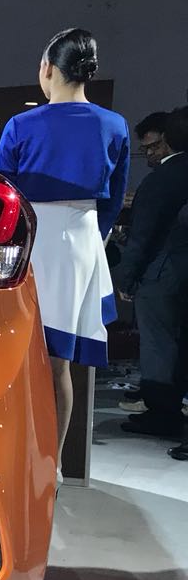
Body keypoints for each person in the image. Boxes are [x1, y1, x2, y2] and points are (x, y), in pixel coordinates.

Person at [0, 28, 129, 485]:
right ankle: (50, 470)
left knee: (11, 354)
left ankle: (12, 464)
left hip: (29, 240)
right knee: (60, 362)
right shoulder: (114, 126)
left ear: (47, 68)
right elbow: (113, 201)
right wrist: (91, 238)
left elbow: (3, 196)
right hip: (81, 242)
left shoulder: (21, 125)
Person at [112, 106, 188, 441]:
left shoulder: (162, 179)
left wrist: (127, 278)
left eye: (152, 146)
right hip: (180, 273)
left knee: (158, 345)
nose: (149, 154)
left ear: (168, 139)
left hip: (161, 274)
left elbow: (143, 236)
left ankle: (161, 415)